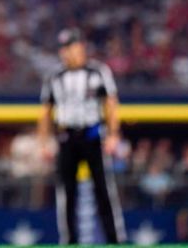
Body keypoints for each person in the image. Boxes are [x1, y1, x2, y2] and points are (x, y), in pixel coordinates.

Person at [38, 29, 126, 244]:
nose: (66, 53)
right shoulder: (54, 76)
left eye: (70, 47)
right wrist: (44, 142)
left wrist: (114, 134)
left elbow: (111, 103)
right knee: (66, 193)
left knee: (103, 190)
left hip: (92, 134)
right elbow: (45, 110)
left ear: (81, 47)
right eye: (63, 49)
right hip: (67, 137)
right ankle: (69, 240)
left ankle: (115, 239)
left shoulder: (97, 71)